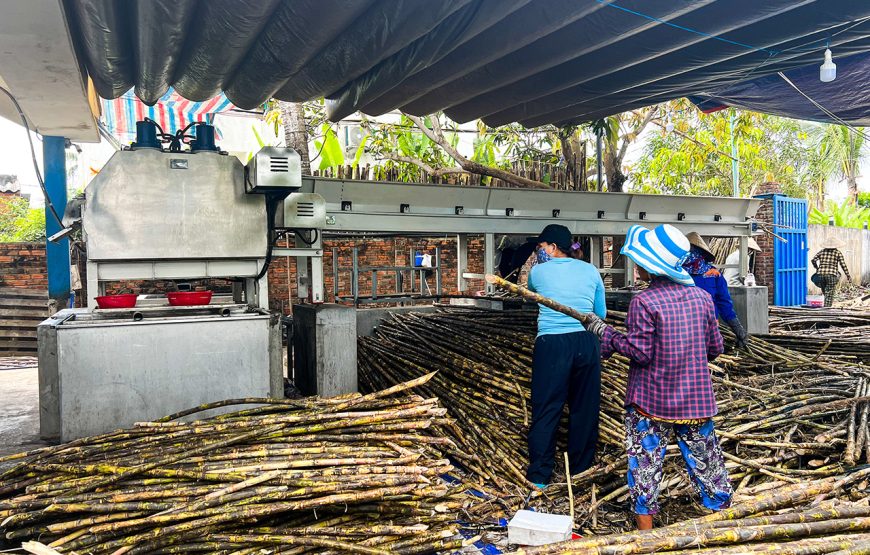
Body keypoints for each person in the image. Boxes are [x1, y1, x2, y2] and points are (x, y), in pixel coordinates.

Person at [584, 224, 732, 530]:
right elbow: (715, 348)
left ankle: (647, 536)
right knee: (709, 465)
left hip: (650, 404)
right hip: (695, 401)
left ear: (650, 267)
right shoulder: (703, 299)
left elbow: (640, 353)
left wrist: (607, 334)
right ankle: (726, 524)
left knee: (645, 468)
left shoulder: (644, 302)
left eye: (639, 263)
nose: (636, 268)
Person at [525, 224, 607, 487]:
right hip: (586, 341)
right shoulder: (591, 270)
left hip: (552, 343)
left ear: (552, 247)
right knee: (585, 408)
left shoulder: (537, 271)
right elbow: (600, 313)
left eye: (541, 247)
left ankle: (540, 476)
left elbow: (534, 296)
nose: (539, 252)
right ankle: (581, 473)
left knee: (546, 408)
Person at [683, 232, 748, 348]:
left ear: (701, 253)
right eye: (688, 250)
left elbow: (724, 302)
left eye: (693, 250)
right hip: (681, 329)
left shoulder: (713, 274)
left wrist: (737, 327)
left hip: (709, 328)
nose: (691, 255)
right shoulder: (675, 275)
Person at [812, 238, 852, 307]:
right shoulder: (837, 252)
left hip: (820, 275)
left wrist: (817, 268)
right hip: (831, 275)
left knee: (825, 293)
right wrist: (848, 276)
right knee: (829, 294)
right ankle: (827, 311)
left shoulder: (822, 251)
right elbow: (843, 265)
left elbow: (813, 260)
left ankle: (825, 309)